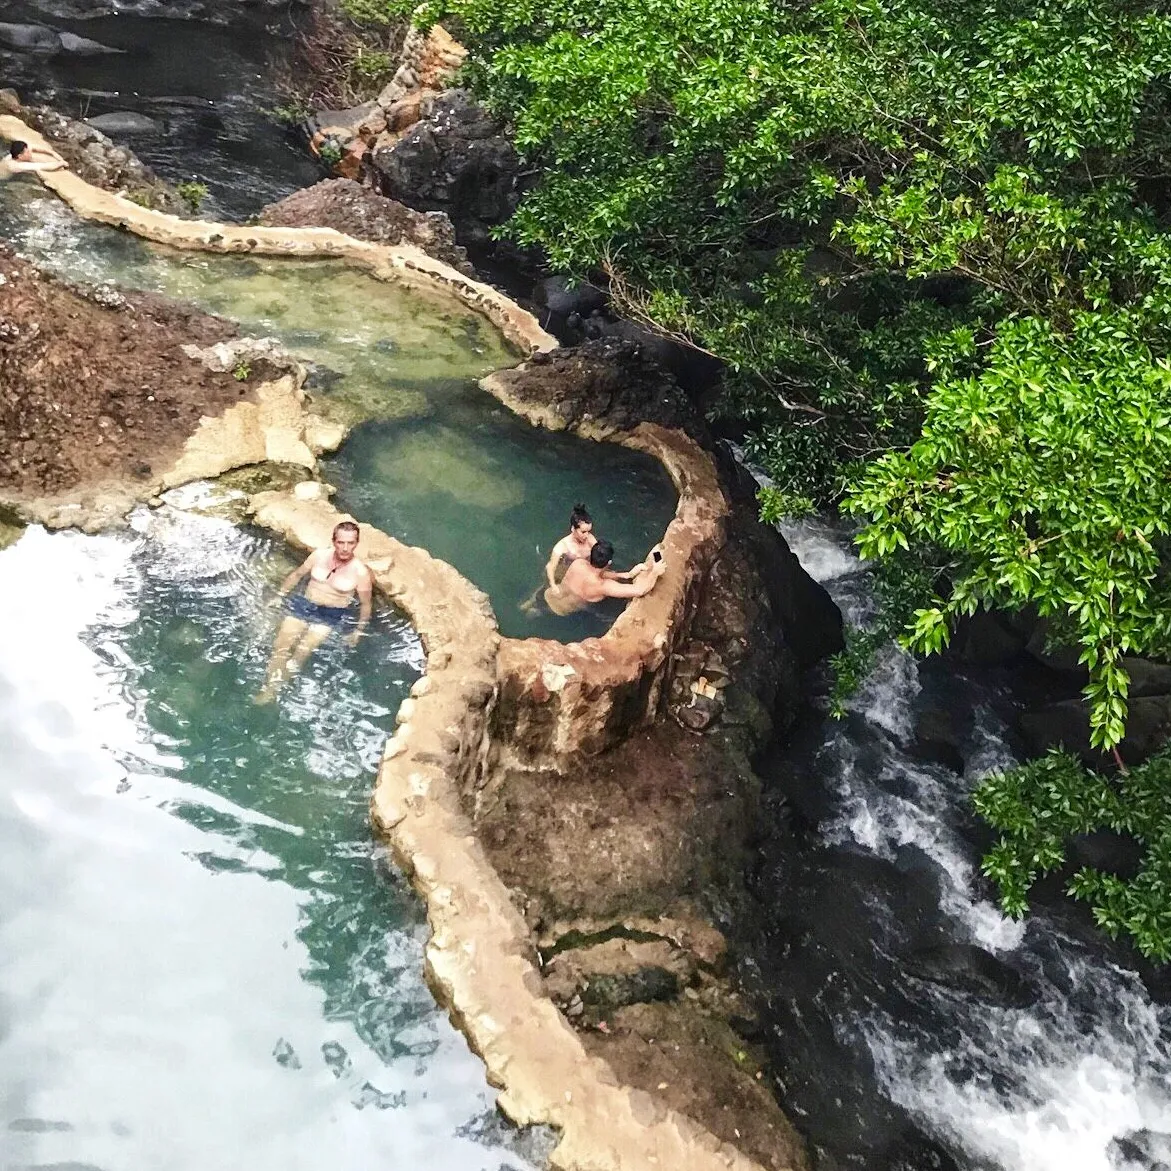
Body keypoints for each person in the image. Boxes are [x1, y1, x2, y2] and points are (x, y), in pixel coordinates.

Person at [255, 520, 373, 704]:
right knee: (281, 645)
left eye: (351, 543)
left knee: (302, 650)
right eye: (341, 542)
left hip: (330, 614)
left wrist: (358, 630)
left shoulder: (360, 572)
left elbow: (366, 605)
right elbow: (297, 575)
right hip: (304, 604)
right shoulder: (319, 556)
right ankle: (269, 685)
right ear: (334, 541)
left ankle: (273, 690)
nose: (345, 548)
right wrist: (280, 595)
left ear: (356, 544)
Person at [545, 538, 665, 615]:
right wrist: (655, 571)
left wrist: (627, 575)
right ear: (608, 563)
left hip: (550, 597)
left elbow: (594, 573)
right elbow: (640, 590)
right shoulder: (603, 586)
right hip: (565, 612)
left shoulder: (578, 563)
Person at [544, 502, 597, 588]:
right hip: (569, 572)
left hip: (587, 570)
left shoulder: (590, 539)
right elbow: (550, 567)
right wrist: (553, 585)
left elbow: (600, 555)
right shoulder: (563, 546)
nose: (587, 535)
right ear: (573, 529)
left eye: (589, 531)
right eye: (583, 532)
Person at [0, 140, 69, 181]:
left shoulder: (13, 155)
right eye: (27, 152)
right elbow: (45, 166)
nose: (30, 153)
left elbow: (32, 147)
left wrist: (52, 153)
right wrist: (62, 163)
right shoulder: (18, 166)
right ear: (20, 156)